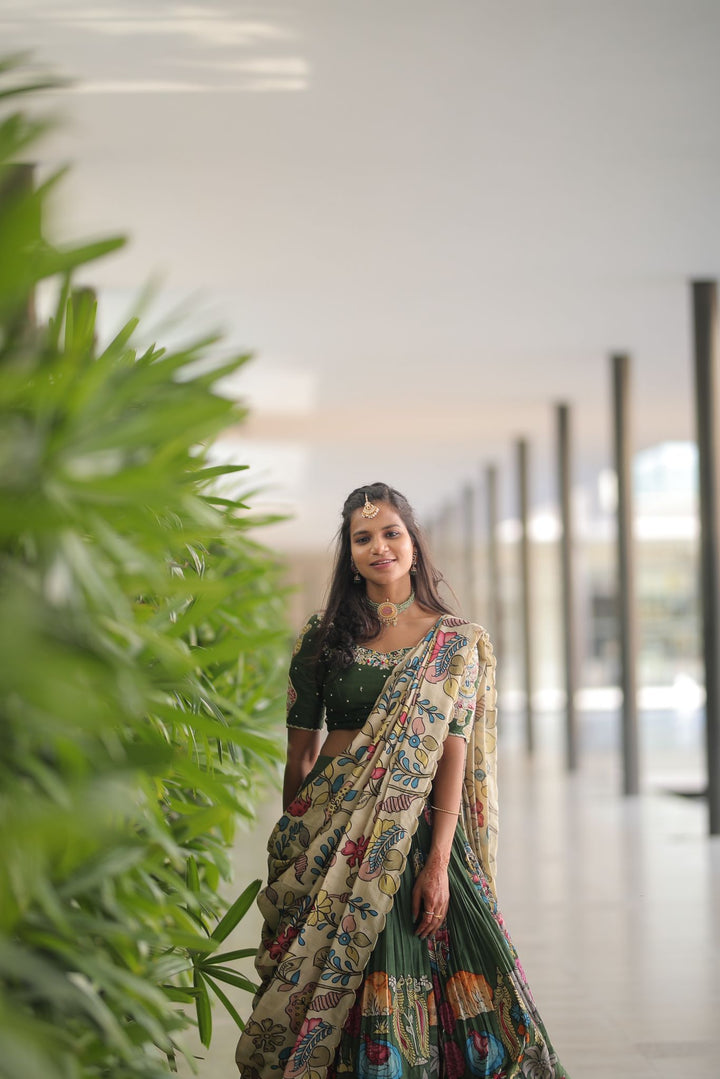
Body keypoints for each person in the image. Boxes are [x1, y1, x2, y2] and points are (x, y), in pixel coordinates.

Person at [235, 483, 569, 1079]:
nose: (379, 547)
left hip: (419, 840)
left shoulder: (455, 643)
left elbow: (451, 756)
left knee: (454, 982)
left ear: (413, 541)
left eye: (391, 533)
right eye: (363, 538)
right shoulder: (322, 636)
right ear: (350, 553)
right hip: (329, 838)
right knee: (325, 985)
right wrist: (303, 847)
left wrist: (439, 862)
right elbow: (300, 753)